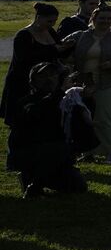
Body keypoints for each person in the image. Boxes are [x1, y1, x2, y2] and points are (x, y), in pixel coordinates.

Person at [6, 3, 68, 177]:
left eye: (54, 21)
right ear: (38, 18)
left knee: (39, 121)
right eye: (49, 21)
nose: (52, 25)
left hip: (44, 85)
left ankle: (38, 158)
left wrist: (65, 48)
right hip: (21, 85)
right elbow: (25, 58)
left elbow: (57, 53)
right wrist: (53, 49)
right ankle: (13, 160)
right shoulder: (23, 35)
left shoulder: (50, 33)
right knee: (18, 124)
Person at [68, 3, 111, 163]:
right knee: (84, 118)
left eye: (109, 19)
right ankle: (88, 152)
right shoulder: (80, 36)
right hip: (82, 84)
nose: (106, 21)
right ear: (93, 19)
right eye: (102, 18)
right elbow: (63, 48)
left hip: (106, 83)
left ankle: (110, 152)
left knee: (103, 118)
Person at [10, 61, 86, 198]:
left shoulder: (63, 101)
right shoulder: (26, 102)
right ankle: (33, 185)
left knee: (77, 186)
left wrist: (88, 100)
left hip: (53, 154)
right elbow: (38, 112)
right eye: (43, 76)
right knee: (60, 149)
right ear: (33, 81)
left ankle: (38, 178)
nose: (49, 79)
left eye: (53, 75)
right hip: (29, 152)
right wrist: (59, 94)